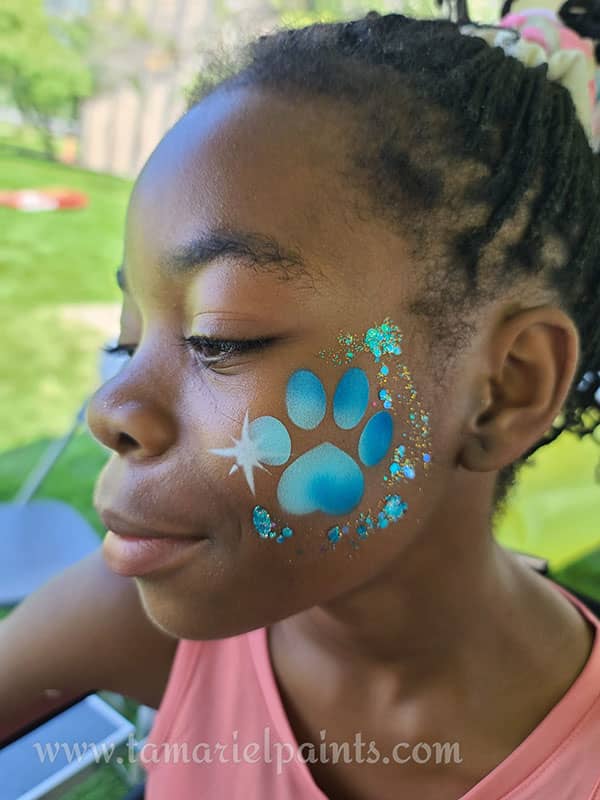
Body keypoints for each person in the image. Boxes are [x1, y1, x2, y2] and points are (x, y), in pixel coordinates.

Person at [2, 10, 600, 800]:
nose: (109, 409)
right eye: (128, 339)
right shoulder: (133, 619)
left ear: (506, 388)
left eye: (221, 336)